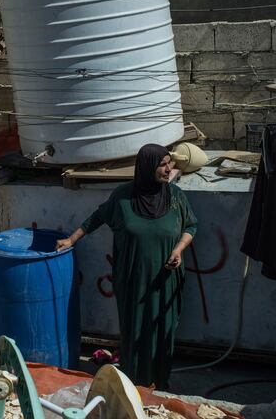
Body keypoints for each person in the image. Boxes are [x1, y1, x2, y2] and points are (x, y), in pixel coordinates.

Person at [56, 144, 197, 389]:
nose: (168, 169)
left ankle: (159, 382)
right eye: (162, 164)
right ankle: (132, 382)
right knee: (134, 330)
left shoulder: (175, 197)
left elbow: (191, 226)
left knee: (164, 330)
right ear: (146, 167)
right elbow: (97, 218)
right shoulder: (123, 197)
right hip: (133, 279)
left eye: (169, 163)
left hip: (165, 280)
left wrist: (179, 249)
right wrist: (71, 239)